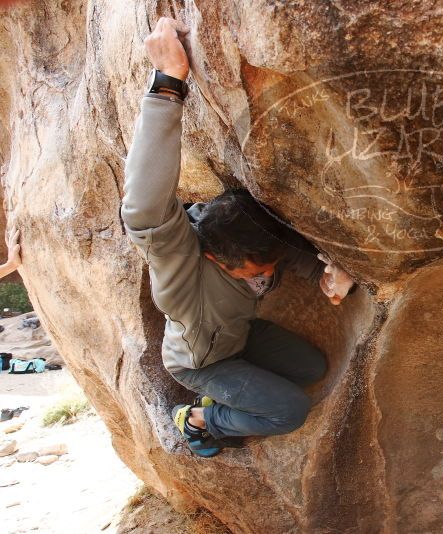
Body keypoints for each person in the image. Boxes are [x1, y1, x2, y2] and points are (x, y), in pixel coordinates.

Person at [121, 17, 356, 457]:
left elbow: (283, 251)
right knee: (289, 410)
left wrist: (326, 273)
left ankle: (233, 391)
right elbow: (142, 210)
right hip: (202, 362)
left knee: (310, 367)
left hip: (240, 335)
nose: (266, 275)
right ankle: (199, 418)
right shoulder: (180, 264)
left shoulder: (243, 234)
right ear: (214, 259)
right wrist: (167, 86)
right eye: (256, 271)